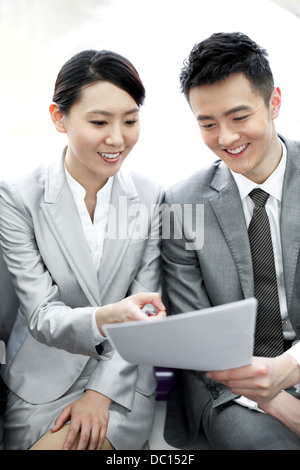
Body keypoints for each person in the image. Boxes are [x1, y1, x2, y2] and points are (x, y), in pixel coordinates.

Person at [0, 49, 166, 450]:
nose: (117, 138)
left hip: (121, 378)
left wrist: (100, 394)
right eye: (99, 122)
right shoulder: (19, 196)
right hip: (43, 378)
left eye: (130, 120)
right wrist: (108, 315)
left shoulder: (150, 196)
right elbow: (40, 315)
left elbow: (146, 313)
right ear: (59, 118)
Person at [162, 32, 300, 450]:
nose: (225, 138)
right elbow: (197, 337)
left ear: (274, 102)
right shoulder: (180, 203)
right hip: (230, 388)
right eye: (207, 123)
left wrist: (290, 368)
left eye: (239, 117)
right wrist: (275, 400)